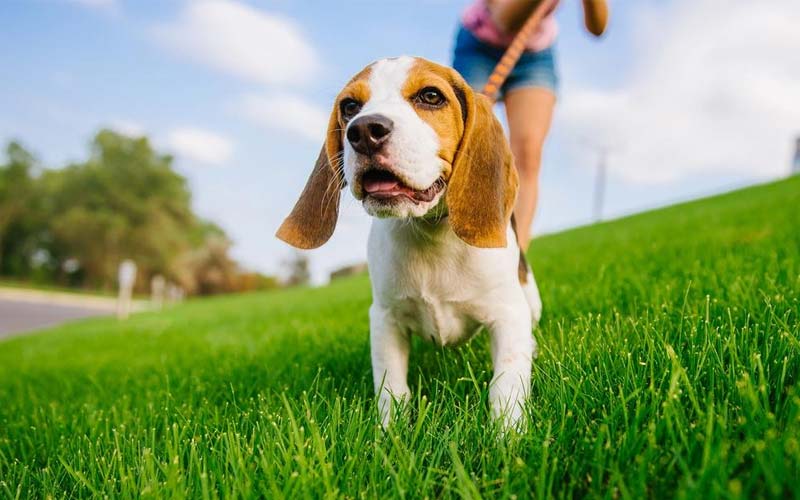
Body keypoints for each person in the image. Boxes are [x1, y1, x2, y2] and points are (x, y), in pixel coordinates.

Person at [453, 0, 609, 249]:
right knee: (465, 144)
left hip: (535, 52)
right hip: (479, 42)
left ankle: (516, 259)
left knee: (528, 153)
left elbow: (597, 27)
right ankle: (455, 247)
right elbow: (505, 20)